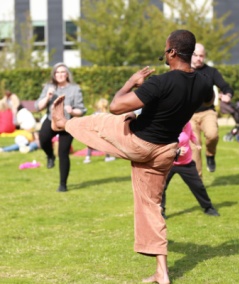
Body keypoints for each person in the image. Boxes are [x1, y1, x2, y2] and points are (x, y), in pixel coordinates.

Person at [50, 30, 213, 284]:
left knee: (101, 121)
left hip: (138, 143)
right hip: (165, 151)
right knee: (152, 207)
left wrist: (131, 82)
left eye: (165, 49)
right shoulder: (203, 82)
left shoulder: (160, 82)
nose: (164, 53)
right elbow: (209, 98)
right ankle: (162, 273)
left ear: (171, 52)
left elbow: (116, 105)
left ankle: (62, 123)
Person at [35, 62, 86, 192]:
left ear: (67, 74)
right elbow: (38, 107)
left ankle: (63, 185)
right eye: (57, 72)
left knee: (63, 153)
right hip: (51, 120)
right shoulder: (49, 87)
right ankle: (50, 156)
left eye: (63, 72)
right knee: (43, 139)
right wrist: (47, 97)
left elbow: (81, 110)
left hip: (67, 123)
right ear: (54, 74)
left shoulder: (75, 89)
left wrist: (72, 111)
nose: (60, 74)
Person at [190, 43, 234, 176]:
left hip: (207, 112)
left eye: (201, 56)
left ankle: (210, 155)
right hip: (189, 115)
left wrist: (227, 95)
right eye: (196, 55)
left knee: (212, 134)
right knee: (195, 147)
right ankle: (198, 182)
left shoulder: (211, 72)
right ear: (190, 55)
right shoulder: (184, 71)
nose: (199, 58)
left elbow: (226, 87)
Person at [161, 122, 219, 219]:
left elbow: (191, 134)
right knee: (160, 187)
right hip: (169, 163)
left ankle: (208, 208)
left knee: (198, 186)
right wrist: (177, 151)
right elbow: (162, 145)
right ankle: (160, 212)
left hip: (186, 163)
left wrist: (196, 143)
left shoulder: (187, 124)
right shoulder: (168, 126)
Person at [83, 98, 116, 163]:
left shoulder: (95, 113)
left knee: (90, 144)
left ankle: (87, 158)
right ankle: (107, 157)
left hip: (94, 131)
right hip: (103, 132)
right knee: (107, 144)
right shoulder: (108, 114)